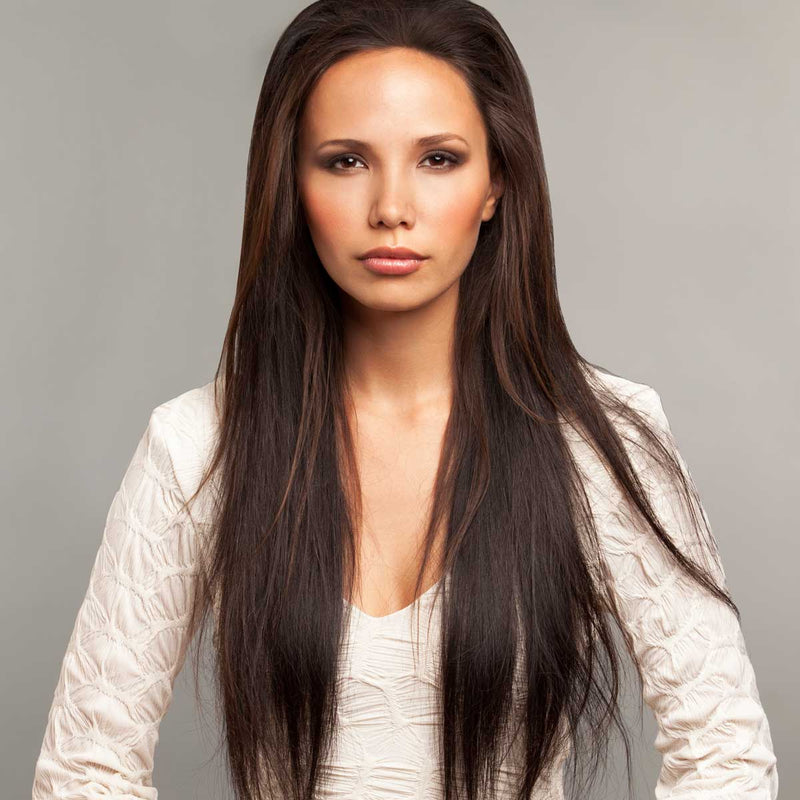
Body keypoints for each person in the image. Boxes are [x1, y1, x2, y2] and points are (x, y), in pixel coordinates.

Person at [31, 1, 778, 798]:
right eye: (346, 161)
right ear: (291, 183)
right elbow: (85, 771)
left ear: (497, 182)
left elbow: (725, 759)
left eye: (438, 159)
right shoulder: (199, 444)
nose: (391, 207)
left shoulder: (598, 439)